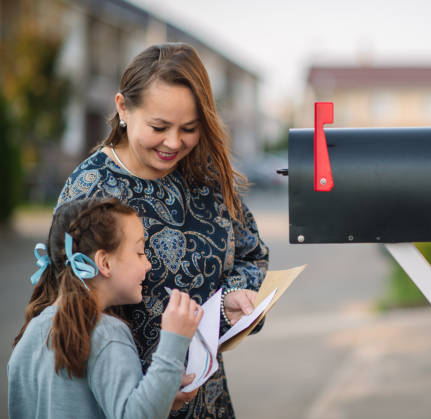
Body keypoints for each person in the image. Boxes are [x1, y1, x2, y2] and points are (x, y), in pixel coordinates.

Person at [56, 43, 269, 418]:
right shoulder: (89, 192)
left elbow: (252, 254)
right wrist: (147, 395)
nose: (174, 143)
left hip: (209, 403)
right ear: (123, 108)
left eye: (189, 128)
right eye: (159, 127)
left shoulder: (206, 178)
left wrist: (235, 298)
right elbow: (66, 317)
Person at [8, 198, 204, 418]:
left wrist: (161, 393)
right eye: (140, 252)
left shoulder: (29, 334)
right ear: (105, 263)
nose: (148, 264)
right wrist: (174, 339)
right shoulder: (106, 333)